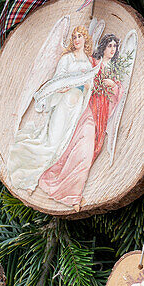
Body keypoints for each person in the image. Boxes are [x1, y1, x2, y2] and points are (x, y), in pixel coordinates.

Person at [7, 25, 98, 196]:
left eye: (80, 36)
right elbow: (58, 80)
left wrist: (86, 87)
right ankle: (29, 176)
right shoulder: (67, 59)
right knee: (52, 141)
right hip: (63, 103)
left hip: (76, 106)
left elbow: (89, 87)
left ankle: (38, 179)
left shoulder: (88, 62)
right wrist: (62, 87)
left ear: (85, 38)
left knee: (62, 144)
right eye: (74, 37)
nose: (77, 40)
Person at [37, 33, 123, 208]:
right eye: (109, 45)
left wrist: (113, 85)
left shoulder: (114, 70)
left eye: (115, 46)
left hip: (102, 113)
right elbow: (77, 77)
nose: (112, 49)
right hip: (88, 109)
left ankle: (67, 186)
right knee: (83, 150)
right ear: (103, 47)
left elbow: (117, 93)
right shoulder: (91, 62)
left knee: (91, 151)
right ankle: (71, 196)